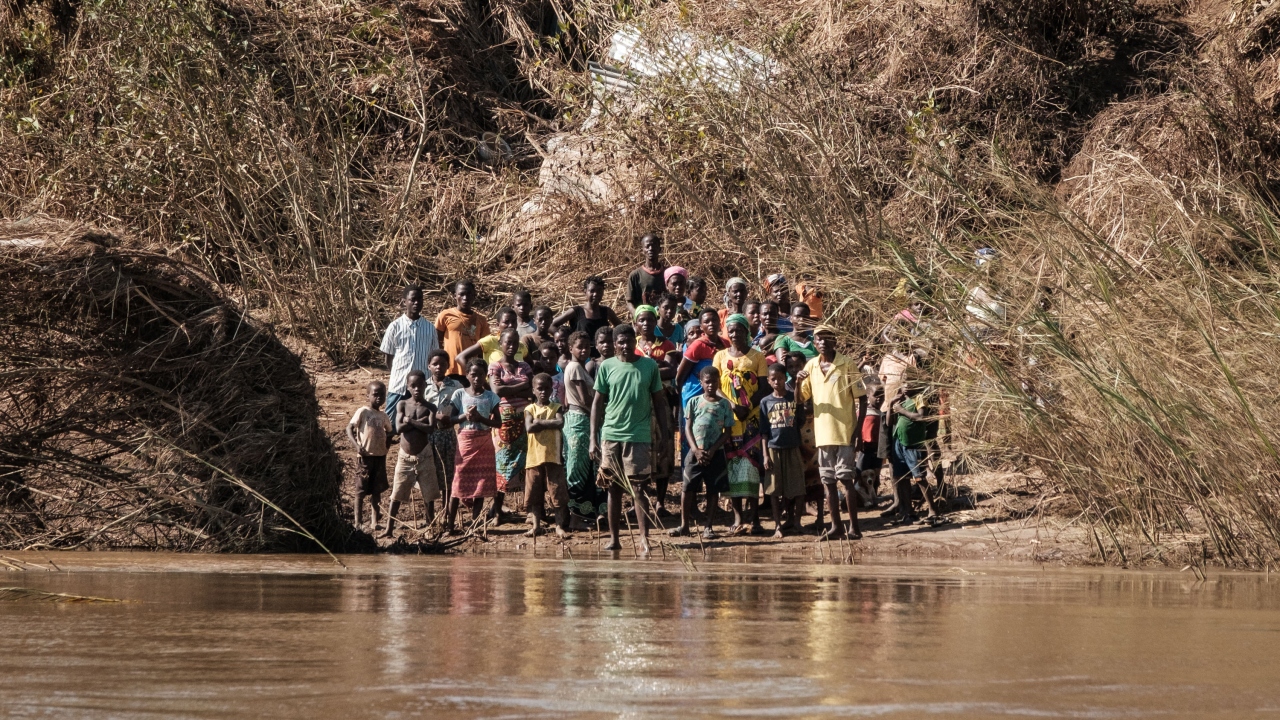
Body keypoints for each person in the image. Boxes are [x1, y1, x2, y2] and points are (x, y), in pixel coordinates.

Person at [590, 324, 669, 554]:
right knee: (613, 488)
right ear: (615, 344)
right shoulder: (606, 366)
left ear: (635, 342)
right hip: (611, 434)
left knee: (639, 488)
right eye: (621, 342)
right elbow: (597, 403)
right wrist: (593, 439)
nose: (625, 346)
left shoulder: (649, 365)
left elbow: (659, 402)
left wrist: (664, 435)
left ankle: (644, 538)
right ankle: (615, 539)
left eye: (629, 341)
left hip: (640, 435)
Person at [797, 325, 866, 540]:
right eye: (819, 339)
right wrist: (798, 382)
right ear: (814, 342)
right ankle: (836, 527)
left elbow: (862, 398)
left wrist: (858, 429)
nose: (823, 342)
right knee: (828, 482)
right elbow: (800, 399)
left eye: (827, 338)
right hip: (823, 434)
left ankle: (854, 528)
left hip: (845, 431)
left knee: (846, 480)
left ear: (835, 341)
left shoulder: (847, 364)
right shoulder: (811, 366)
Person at [714, 313, 769, 535]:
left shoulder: (757, 357)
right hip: (729, 420)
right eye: (731, 330)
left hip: (752, 419)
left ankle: (754, 517)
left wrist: (747, 407)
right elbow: (715, 386)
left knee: (753, 467)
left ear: (747, 332)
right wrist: (732, 405)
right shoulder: (719, 356)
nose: (735, 334)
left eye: (739, 330)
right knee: (733, 467)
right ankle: (737, 517)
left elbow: (764, 387)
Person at [670, 366, 734, 539]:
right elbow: (688, 428)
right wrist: (695, 450)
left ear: (719, 381)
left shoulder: (724, 404)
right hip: (695, 452)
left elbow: (727, 432)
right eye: (707, 382)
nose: (711, 385)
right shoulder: (694, 401)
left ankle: (708, 527)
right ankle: (684, 525)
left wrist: (712, 450)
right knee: (687, 487)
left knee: (713, 489)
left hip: (716, 453)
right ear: (701, 383)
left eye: (714, 381)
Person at [443, 359, 502, 534]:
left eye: (481, 375)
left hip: (484, 442)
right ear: (467, 375)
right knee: (458, 483)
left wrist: (481, 419)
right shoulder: (459, 394)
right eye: (473, 374)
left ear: (486, 376)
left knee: (480, 486)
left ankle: (475, 526)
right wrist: (464, 417)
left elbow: (498, 423)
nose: (477, 378)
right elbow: (451, 419)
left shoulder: (491, 397)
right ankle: (450, 525)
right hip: (465, 443)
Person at [634, 305, 679, 516]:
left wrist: (645, 368)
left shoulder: (666, 344)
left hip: (662, 403)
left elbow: (671, 369)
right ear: (635, 323)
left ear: (655, 321)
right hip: (639, 407)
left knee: (664, 451)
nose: (646, 324)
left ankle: (660, 503)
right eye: (641, 320)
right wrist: (655, 366)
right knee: (641, 453)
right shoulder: (631, 345)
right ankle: (639, 501)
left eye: (649, 320)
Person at [383, 370, 440, 538]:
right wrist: (419, 422)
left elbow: (430, 429)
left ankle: (430, 528)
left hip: (424, 454)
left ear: (425, 385)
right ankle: (389, 529)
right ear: (408, 387)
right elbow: (399, 428)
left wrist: (411, 421)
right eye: (413, 386)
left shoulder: (430, 407)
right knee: (397, 493)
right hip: (405, 455)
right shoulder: (402, 404)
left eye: (420, 385)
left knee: (429, 494)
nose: (417, 389)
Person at [488, 328, 534, 526]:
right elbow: (497, 390)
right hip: (503, 422)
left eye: (515, 342)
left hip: (524, 420)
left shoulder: (524, 366)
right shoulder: (495, 366)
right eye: (507, 342)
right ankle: (497, 511)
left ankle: (530, 510)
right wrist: (520, 388)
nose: (511, 345)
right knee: (502, 464)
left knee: (527, 464)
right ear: (501, 344)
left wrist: (511, 389)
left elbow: (532, 390)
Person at [889, 374, 946, 526]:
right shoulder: (900, 400)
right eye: (904, 382)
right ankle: (908, 512)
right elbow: (890, 421)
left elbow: (921, 417)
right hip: (899, 443)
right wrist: (891, 406)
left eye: (911, 382)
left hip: (914, 444)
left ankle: (933, 510)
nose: (907, 385)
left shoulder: (919, 398)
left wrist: (901, 410)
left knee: (919, 477)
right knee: (902, 478)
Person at [562, 330, 607, 524]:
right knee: (577, 469)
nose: (583, 350)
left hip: (583, 420)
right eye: (579, 347)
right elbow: (585, 399)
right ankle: (575, 518)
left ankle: (586, 514)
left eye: (586, 347)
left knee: (587, 468)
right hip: (580, 420)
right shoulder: (574, 368)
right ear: (570, 348)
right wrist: (601, 413)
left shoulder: (578, 367)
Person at [381, 285, 440, 430]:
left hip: (423, 386)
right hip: (399, 385)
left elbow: (434, 357)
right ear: (404, 302)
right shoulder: (395, 326)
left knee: (422, 423)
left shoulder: (429, 328)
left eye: (419, 299)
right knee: (389, 425)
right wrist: (397, 374)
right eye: (412, 299)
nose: (416, 303)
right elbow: (388, 357)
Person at [760, 364, 807, 537]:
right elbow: (764, 431)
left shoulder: (793, 398)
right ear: (769, 381)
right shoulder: (765, 402)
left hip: (793, 447)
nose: (777, 382)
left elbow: (800, 420)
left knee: (798, 487)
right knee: (773, 489)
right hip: (773, 449)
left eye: (780, 378)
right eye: (773, 379)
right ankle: (778, 526)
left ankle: (796, 522)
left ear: (785, 378)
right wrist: (765, 455)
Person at [524, 373, 569, 537]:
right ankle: (536, 526)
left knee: (557, 493)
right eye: (539, 389)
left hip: (553, 457)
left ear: (551, 389)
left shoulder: (556, 407)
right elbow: (529, 428)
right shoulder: (529, 409)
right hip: (534, 458)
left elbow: (560, 422)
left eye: (546, 389)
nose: (543, 392)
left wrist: (540, 423)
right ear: (533, 390)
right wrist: (546, 424)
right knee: (535, 494)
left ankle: (559, 526)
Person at [786, 350, 824, 532]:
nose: (794, 370)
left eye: (798, 366)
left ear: (805, 366)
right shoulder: (786, 386)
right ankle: (795, 517)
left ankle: (821, 517)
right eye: (790, 367)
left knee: (817, 475)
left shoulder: (813, 383)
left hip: (815, 433)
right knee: (796, 477)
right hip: (795, 435)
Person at [347, 380, 392, 530]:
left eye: (382, 395)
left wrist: (386, 446)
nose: (379, 397)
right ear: (368, 396)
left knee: (376, 490)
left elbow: (390, 431)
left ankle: (374, 522)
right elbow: (349, 428)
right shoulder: (363, 411)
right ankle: (358, 523)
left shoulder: (383, 415)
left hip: (380, 456)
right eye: (375, 394)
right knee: (360, 489)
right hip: (365, 457)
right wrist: (357, 446)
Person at [424, 350, 463, 509]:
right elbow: (418, 409)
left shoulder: (456, 386)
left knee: (449, 475)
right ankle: (430, 516)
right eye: (435, 364)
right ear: (429, 366)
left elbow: (462, 409)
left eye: (442, 364)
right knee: (428, 476)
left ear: (448, 365)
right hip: (428, 436)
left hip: (448, 435)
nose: (439, 367)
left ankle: (447, 511)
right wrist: (435, 417)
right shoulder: (423, 386)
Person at [435, 279, 488, 378]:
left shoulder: (481, 320)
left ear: (474, 296)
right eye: (461, 294)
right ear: (455, 296)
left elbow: (483, 348)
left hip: (472, 372)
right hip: (450, 370)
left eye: (469, 294)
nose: (465, 298)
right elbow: (436, 341)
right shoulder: (445, 315)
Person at [555, 276, 620, 350]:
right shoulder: (577, 311)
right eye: (592, 291)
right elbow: (552, 325)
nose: (595, 294)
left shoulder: (606, 311)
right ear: (585, 292)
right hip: (582, 355)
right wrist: (569, 340)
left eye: (599, 291)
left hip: (602, 355)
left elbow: (621, 329)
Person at [457, 307, 528, 367]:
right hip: (494, 383)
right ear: (497, 324)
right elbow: (460, 357)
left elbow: (530, 364)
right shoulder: (490, 341)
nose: (510, 325)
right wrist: (477, 376)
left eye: (513, 322)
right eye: (506, 322)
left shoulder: (520, 345)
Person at [627, 233, 667, 315]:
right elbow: (629, 302)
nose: (651, 249)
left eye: (654, 245)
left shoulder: (667, 273)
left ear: (660, 249)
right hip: (644, 321)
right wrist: (637, 315)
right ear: (642, 250)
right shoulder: (635, 275)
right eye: (647, 246)